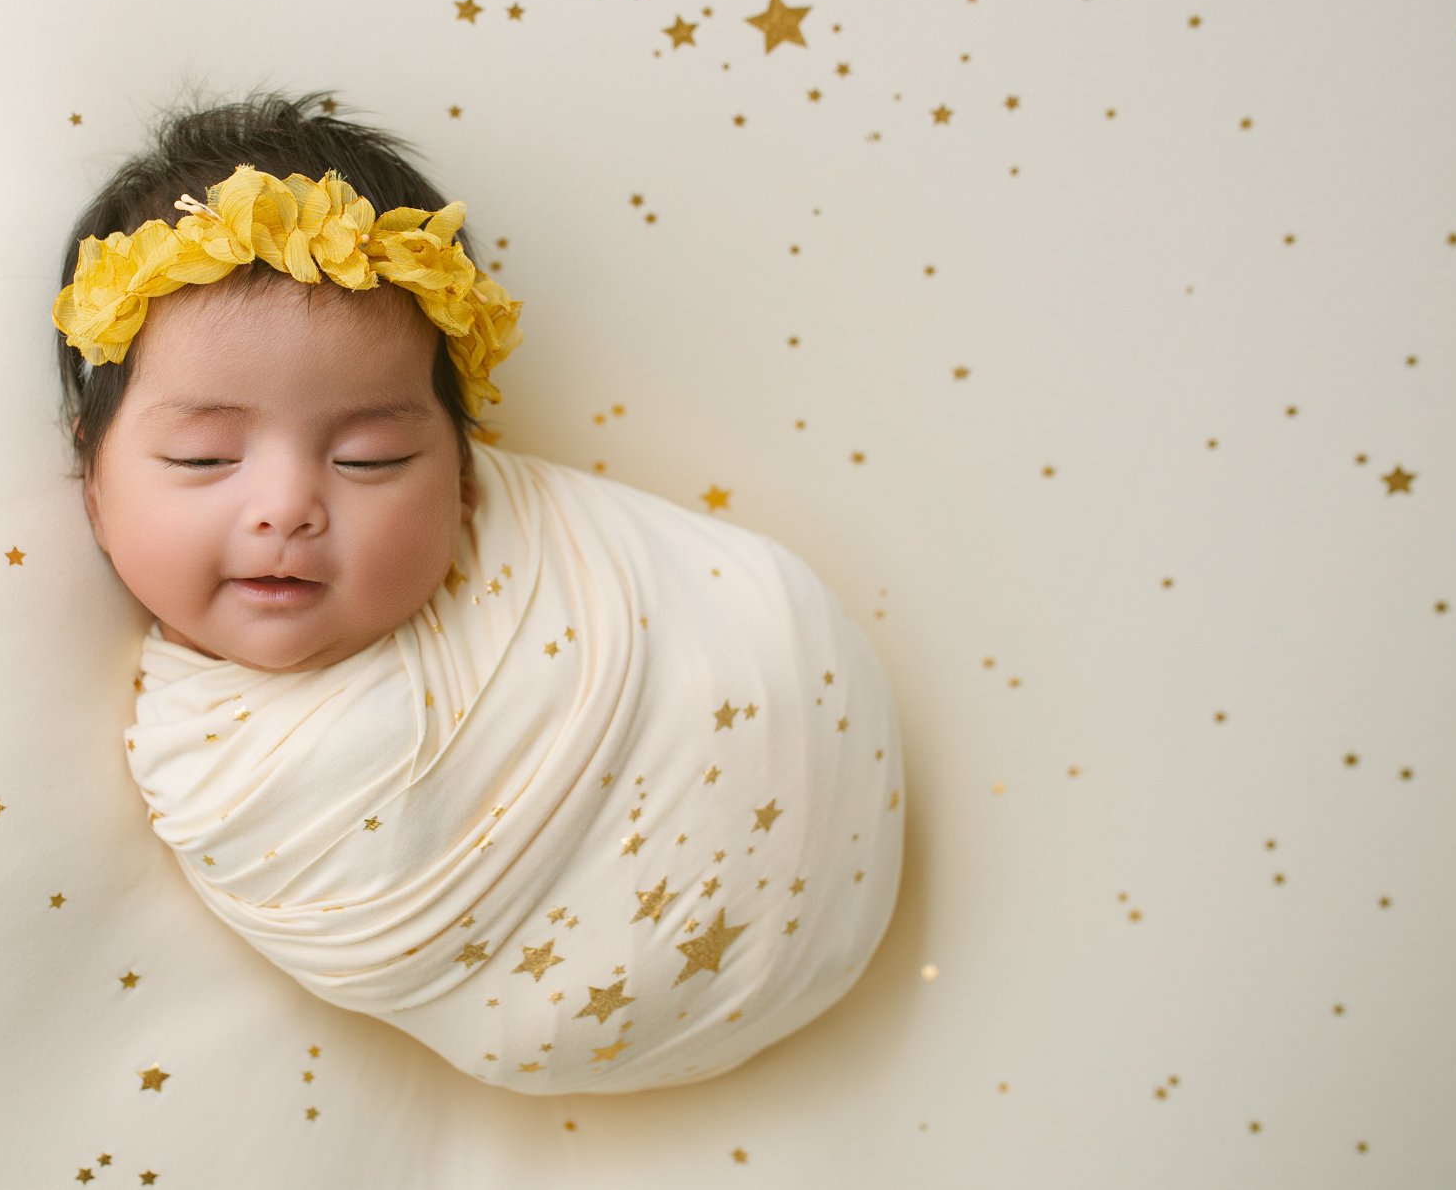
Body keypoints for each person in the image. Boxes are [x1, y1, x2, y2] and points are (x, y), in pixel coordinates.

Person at [52, 86, 904, 1095]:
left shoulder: (564, 567)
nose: (285, 508)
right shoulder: (193, 755)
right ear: (94, 485)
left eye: (368, 458)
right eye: (203, 457)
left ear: (463, 478)